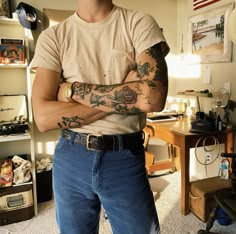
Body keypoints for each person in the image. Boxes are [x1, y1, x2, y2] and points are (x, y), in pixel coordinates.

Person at [31, 0, 169, 233]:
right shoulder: (53, 36)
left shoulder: (139, 23)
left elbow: (152, 98)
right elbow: (43, 118)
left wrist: (71, 90)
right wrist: (124, 91)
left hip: (124, 156)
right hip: (70, 156)